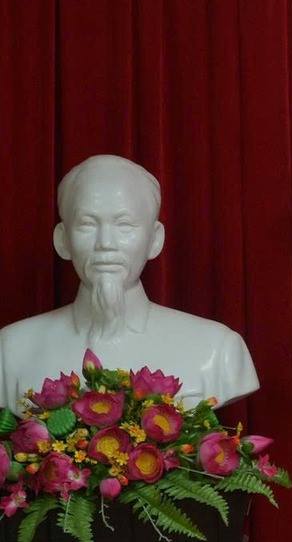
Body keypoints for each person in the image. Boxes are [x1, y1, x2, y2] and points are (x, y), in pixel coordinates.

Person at [0, 155, 258, 409]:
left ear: (155, 240)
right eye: (87, 224)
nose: (105, 243)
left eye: (124, 225)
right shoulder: (10, 351)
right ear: (62, 240)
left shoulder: (216, 350)